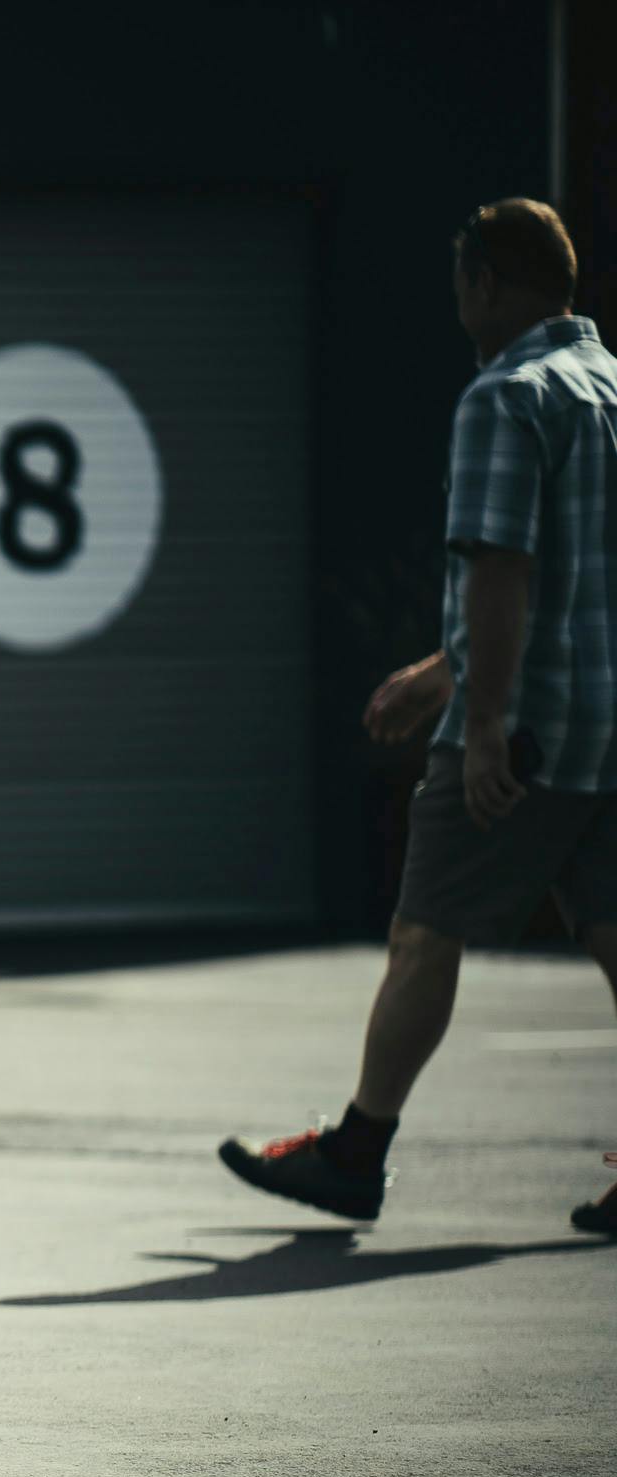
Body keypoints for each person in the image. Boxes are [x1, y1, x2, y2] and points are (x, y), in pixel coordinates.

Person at [223, 198, 617, 1236]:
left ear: (485, 283)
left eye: (461, 285)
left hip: (527, 730)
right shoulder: (611, 391)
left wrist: (480, 720)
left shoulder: (506, 395)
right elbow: (579, 587)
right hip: (610, 726)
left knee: (425, 931)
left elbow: (504, 568)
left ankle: (357, 1151)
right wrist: (443, 672)